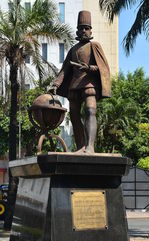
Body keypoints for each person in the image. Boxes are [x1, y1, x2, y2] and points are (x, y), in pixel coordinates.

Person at [50, 10, 110, 154]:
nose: (83, 31)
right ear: (77, 31)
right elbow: (64, 70)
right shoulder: (73, 50)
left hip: (89, 85)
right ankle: (80, 146)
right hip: (74, 87)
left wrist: (89, 68)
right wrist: (56, 85)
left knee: (90, 111)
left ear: (90, 31)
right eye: (81, 28)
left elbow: (103, 67)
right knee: (75, 116)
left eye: (86, 28)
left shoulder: (94, 46)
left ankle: (90, 147)